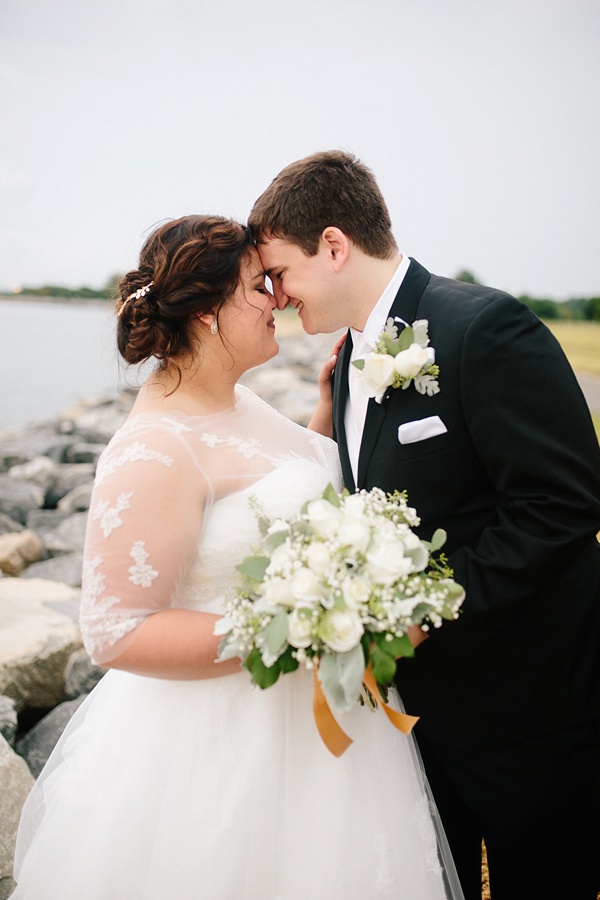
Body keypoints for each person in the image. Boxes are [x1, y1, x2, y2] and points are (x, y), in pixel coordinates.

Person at [12, 214, 465, 899]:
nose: (279, 297)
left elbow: (268, 502)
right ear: (204, 313)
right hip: (218, 753)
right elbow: (114, 629)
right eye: (260, 285)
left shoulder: (239, 402)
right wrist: (302, 625)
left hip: (326, 742)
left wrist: (324, 419)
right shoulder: (153, 449)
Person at [249, 151, 600, 900]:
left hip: (526, 715)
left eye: (280, 272)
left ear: (335, 246)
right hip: (413, 724)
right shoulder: (346, 364)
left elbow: (563, 505)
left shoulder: (485, 328)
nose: (275, 296)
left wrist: (418, 614)